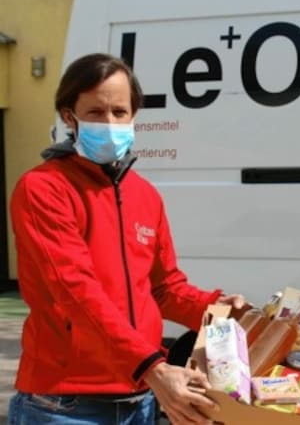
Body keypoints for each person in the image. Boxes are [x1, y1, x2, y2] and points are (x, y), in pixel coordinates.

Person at [7, 53, 246, 424]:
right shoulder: (44, 189)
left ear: (134, 115)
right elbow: (75, 292)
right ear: (69, 116)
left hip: (139, 401)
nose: (110, 122)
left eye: (120, 112)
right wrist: (152, 365)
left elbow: (164, 287)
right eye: (95, 113)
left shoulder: (144, 195)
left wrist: (216, 309)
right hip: (65, 404)